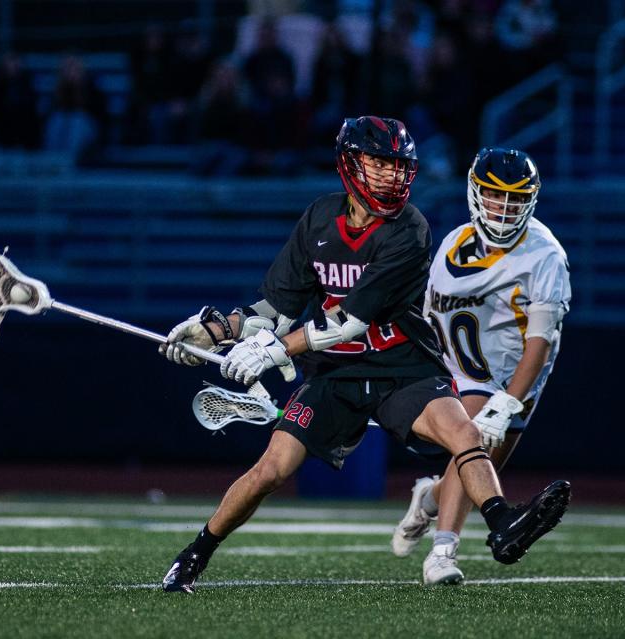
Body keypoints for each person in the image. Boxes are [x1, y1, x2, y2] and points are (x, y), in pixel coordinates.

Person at [158, 116, 571, 593]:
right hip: (337, 373)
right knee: (271, 470)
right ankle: (195, 553)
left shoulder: (410, 229)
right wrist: (213, 330)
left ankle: (503, 521)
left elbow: (348, 321)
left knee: (463, 431)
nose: (392, 176)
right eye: (380, 164)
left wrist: (273, 350)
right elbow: (273, 309)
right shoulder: (318, 219)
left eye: (399, 167)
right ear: (351, 163)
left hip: (402, 366)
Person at [391, 147, 571, 585]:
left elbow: (540, 341)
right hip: (460, 368)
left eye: (514, 198)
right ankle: (441, 553)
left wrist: (510, 400)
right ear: (475, 193)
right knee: (471, 446)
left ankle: (428, 499)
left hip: (518, 372)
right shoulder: (452, 243)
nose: (504, 208)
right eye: (494, 196)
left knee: (474, 468)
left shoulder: (545, 255)